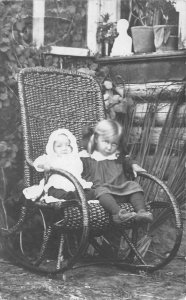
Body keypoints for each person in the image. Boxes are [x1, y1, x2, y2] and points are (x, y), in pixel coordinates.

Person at [80, 119, 153, 224]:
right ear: (96, 138)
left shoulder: (118, 156)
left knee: (134, 186)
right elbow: (73, 166)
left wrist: (134, 165)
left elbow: (128, 162)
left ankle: (141, 212)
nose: (109, 147)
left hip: (122, 191)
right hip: (103, 196)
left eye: (114, 144)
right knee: (100, 190)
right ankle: (118, 213)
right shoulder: (86, 156)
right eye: (105, 142)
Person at [23, 128, 93, 203]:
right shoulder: (51, 157)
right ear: (52, 148)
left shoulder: (74, 157)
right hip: (57, 184)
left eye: (68, 145)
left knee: (91, 192)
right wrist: (44, 165)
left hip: (75, 185)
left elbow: (82, 162)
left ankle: (74, 196)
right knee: (54, 192)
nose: (64, 148)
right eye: (59, 146)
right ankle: (70, 197)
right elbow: (37, 163)